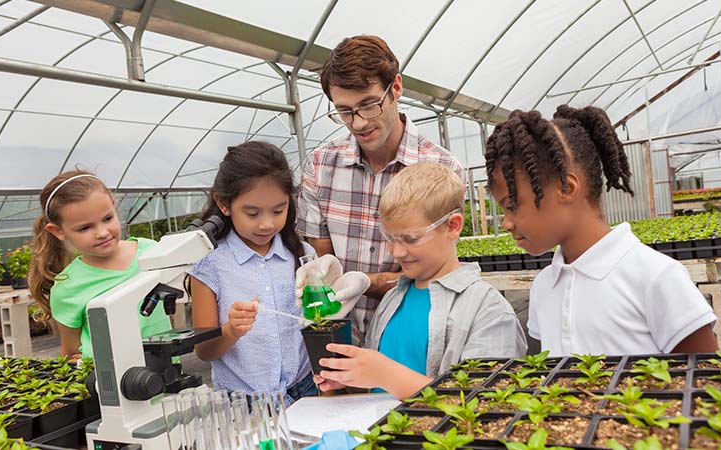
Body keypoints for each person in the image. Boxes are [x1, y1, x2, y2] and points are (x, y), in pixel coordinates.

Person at [485, 105, 718, 356]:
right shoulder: (544, 286)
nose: (506, 223)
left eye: (512, 205)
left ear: (566, 188)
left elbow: (705, 381)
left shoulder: (656, 277)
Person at [297, 35, 466, 345]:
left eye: (369, 105)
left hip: (412, 340)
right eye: (345, 111)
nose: (358, 123)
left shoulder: (443, 169)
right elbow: (323, 267)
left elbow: (435, 273)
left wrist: (364, 283)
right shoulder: (320, 167)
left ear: (396, 88)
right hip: (338, 338)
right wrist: (324, 276)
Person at [311, 162, 527, 400]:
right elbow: (376, 391)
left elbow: (487, 403)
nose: (397, 252)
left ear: (452, 226)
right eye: (390, 238)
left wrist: (386, 374)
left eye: (410, 239)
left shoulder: (487, 309)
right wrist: (345, 379)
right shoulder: (392, 300)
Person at [188, 142, 317, 404]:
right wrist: (232, 330)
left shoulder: (303, 255)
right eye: (252, 213)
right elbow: (204, 351)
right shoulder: (209, 265)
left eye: (278, 210)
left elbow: (317, 325)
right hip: (245, 404)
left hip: (306, 391)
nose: (266, 223)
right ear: (224, 204)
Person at [28, 171, 172, 359]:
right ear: (58, 231)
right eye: (85, 228)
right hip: (109, 384)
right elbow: (72, 353)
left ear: (113, 205)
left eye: (107, 218)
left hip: (166, 374)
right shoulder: (67, 287)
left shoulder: (152, 254)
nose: (102, 233)